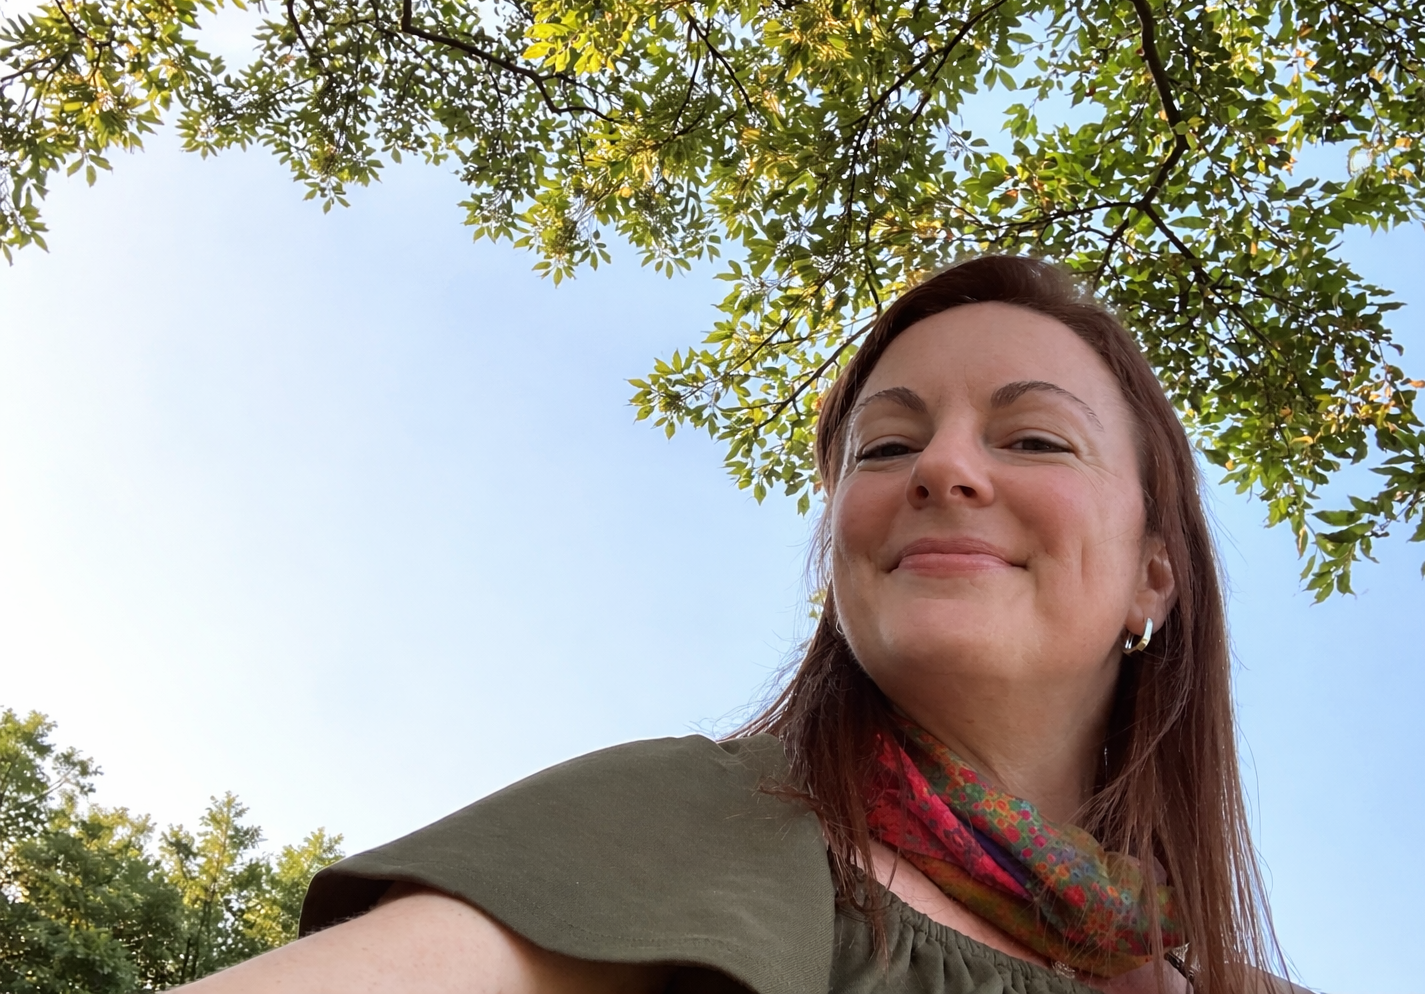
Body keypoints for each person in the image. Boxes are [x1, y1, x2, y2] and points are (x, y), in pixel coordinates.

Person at [181, 256, 1297, 994]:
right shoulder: (685, 825)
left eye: (1036, 440)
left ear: (1158, 577)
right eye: (887, 446)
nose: (945, 467)